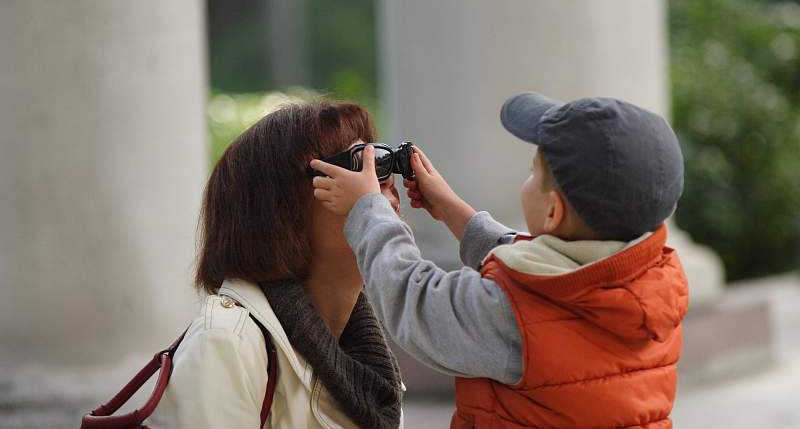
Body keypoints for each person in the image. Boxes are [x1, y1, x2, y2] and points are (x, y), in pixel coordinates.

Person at [310, 92, 690, 428]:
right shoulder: (648, 284)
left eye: (532, 173)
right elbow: (541, 272)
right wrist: (454, 212)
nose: (526, 180)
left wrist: (368, 210)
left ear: (553, 212)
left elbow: (415, 301)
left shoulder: (512, 320)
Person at [148, 101, 405, 429]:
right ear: (285, 207)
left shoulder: (368, 365)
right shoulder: (227, 344)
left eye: (383, 163)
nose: (383, 185)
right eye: (361, 166)